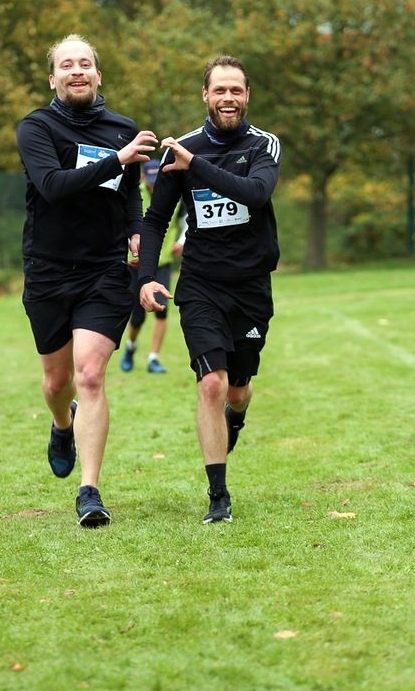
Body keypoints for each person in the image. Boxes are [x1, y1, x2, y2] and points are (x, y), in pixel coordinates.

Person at [16, 34, 158, 527]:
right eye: (66, 64)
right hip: (49, 270)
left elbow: (129, 196)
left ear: (98, 74)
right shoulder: (36, 128)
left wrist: (137, 232)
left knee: (91, 374)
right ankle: (62, 424)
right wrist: (116, 160)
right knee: (57, 382)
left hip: (104, 270)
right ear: (52, 78)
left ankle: (90, 491)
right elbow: (53, 186)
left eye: (85, 63)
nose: (76, 71)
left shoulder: (122, 129)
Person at [138, 55, 281, 524]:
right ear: (205, 95)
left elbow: (255, 193)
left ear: (247, 95)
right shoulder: (180, 151)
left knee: (236, 391)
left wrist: (194, 164)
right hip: (200, 284)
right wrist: (146, 277)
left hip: (250, 287)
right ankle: (218, 496)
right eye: (219, 90)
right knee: (211, 383)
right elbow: (156, 220)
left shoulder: (263, 145)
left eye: (236, 90)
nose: (228, 98)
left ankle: (236, 417)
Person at [120, 158, 186, 375]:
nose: (153, 184)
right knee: (138, 315)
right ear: (143, 177)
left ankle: (154, 358)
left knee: (161, 310)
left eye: (156, 180)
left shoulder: (174, 195)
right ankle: (131, 346)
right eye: (150, 180)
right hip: (136, 262)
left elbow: (186, 220)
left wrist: (181, 241)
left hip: (162, 261)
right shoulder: (134, 194)